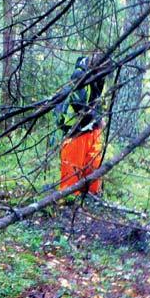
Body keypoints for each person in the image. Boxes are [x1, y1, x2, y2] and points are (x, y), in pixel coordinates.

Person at [55, 56, 106, 195]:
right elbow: (79, 105)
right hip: (76, 131)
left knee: (93, 165)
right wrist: (96, 118)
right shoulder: (79, 75)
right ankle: (69, 198)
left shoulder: (97, 78)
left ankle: (90, 195)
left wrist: (97, 119)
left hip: (91, 129)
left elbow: (96, 100)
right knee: (72, 168)